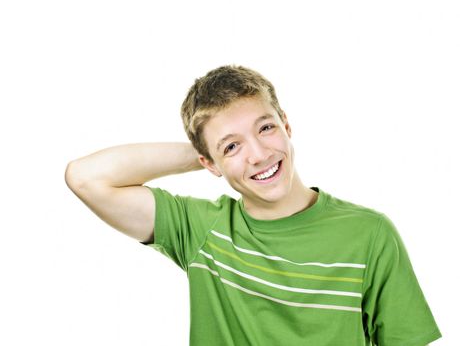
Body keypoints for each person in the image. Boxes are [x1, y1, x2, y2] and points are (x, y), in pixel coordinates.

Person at [65, 65, 442, 345]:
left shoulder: (369, 233)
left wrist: (223, 150)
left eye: (265, 128)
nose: (260, 155)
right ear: (208, 163)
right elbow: (86, 177)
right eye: (233, 146)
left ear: (287, 125)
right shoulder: (202, 229)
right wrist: (204, 153)